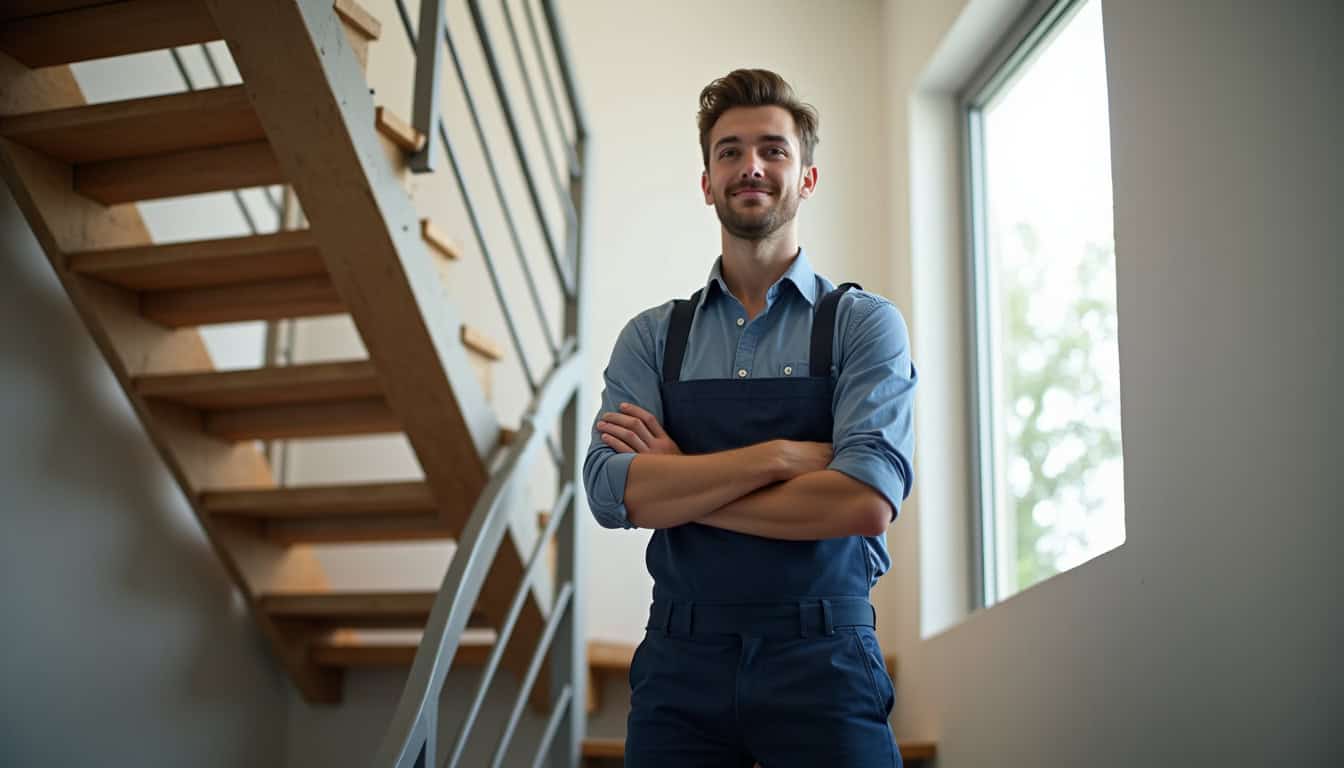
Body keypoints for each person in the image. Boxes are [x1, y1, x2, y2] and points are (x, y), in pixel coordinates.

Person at [582, 68, 917, 767]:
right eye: (729, 151)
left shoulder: (863, 325)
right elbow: (615, 494)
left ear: (808, 178)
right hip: (682, 661)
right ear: (707, 182)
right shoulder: (651, 338)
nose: (751, 166)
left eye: (773, 148)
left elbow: (861, 502)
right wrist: (783, 457)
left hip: (825, 656)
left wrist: (680, 482)